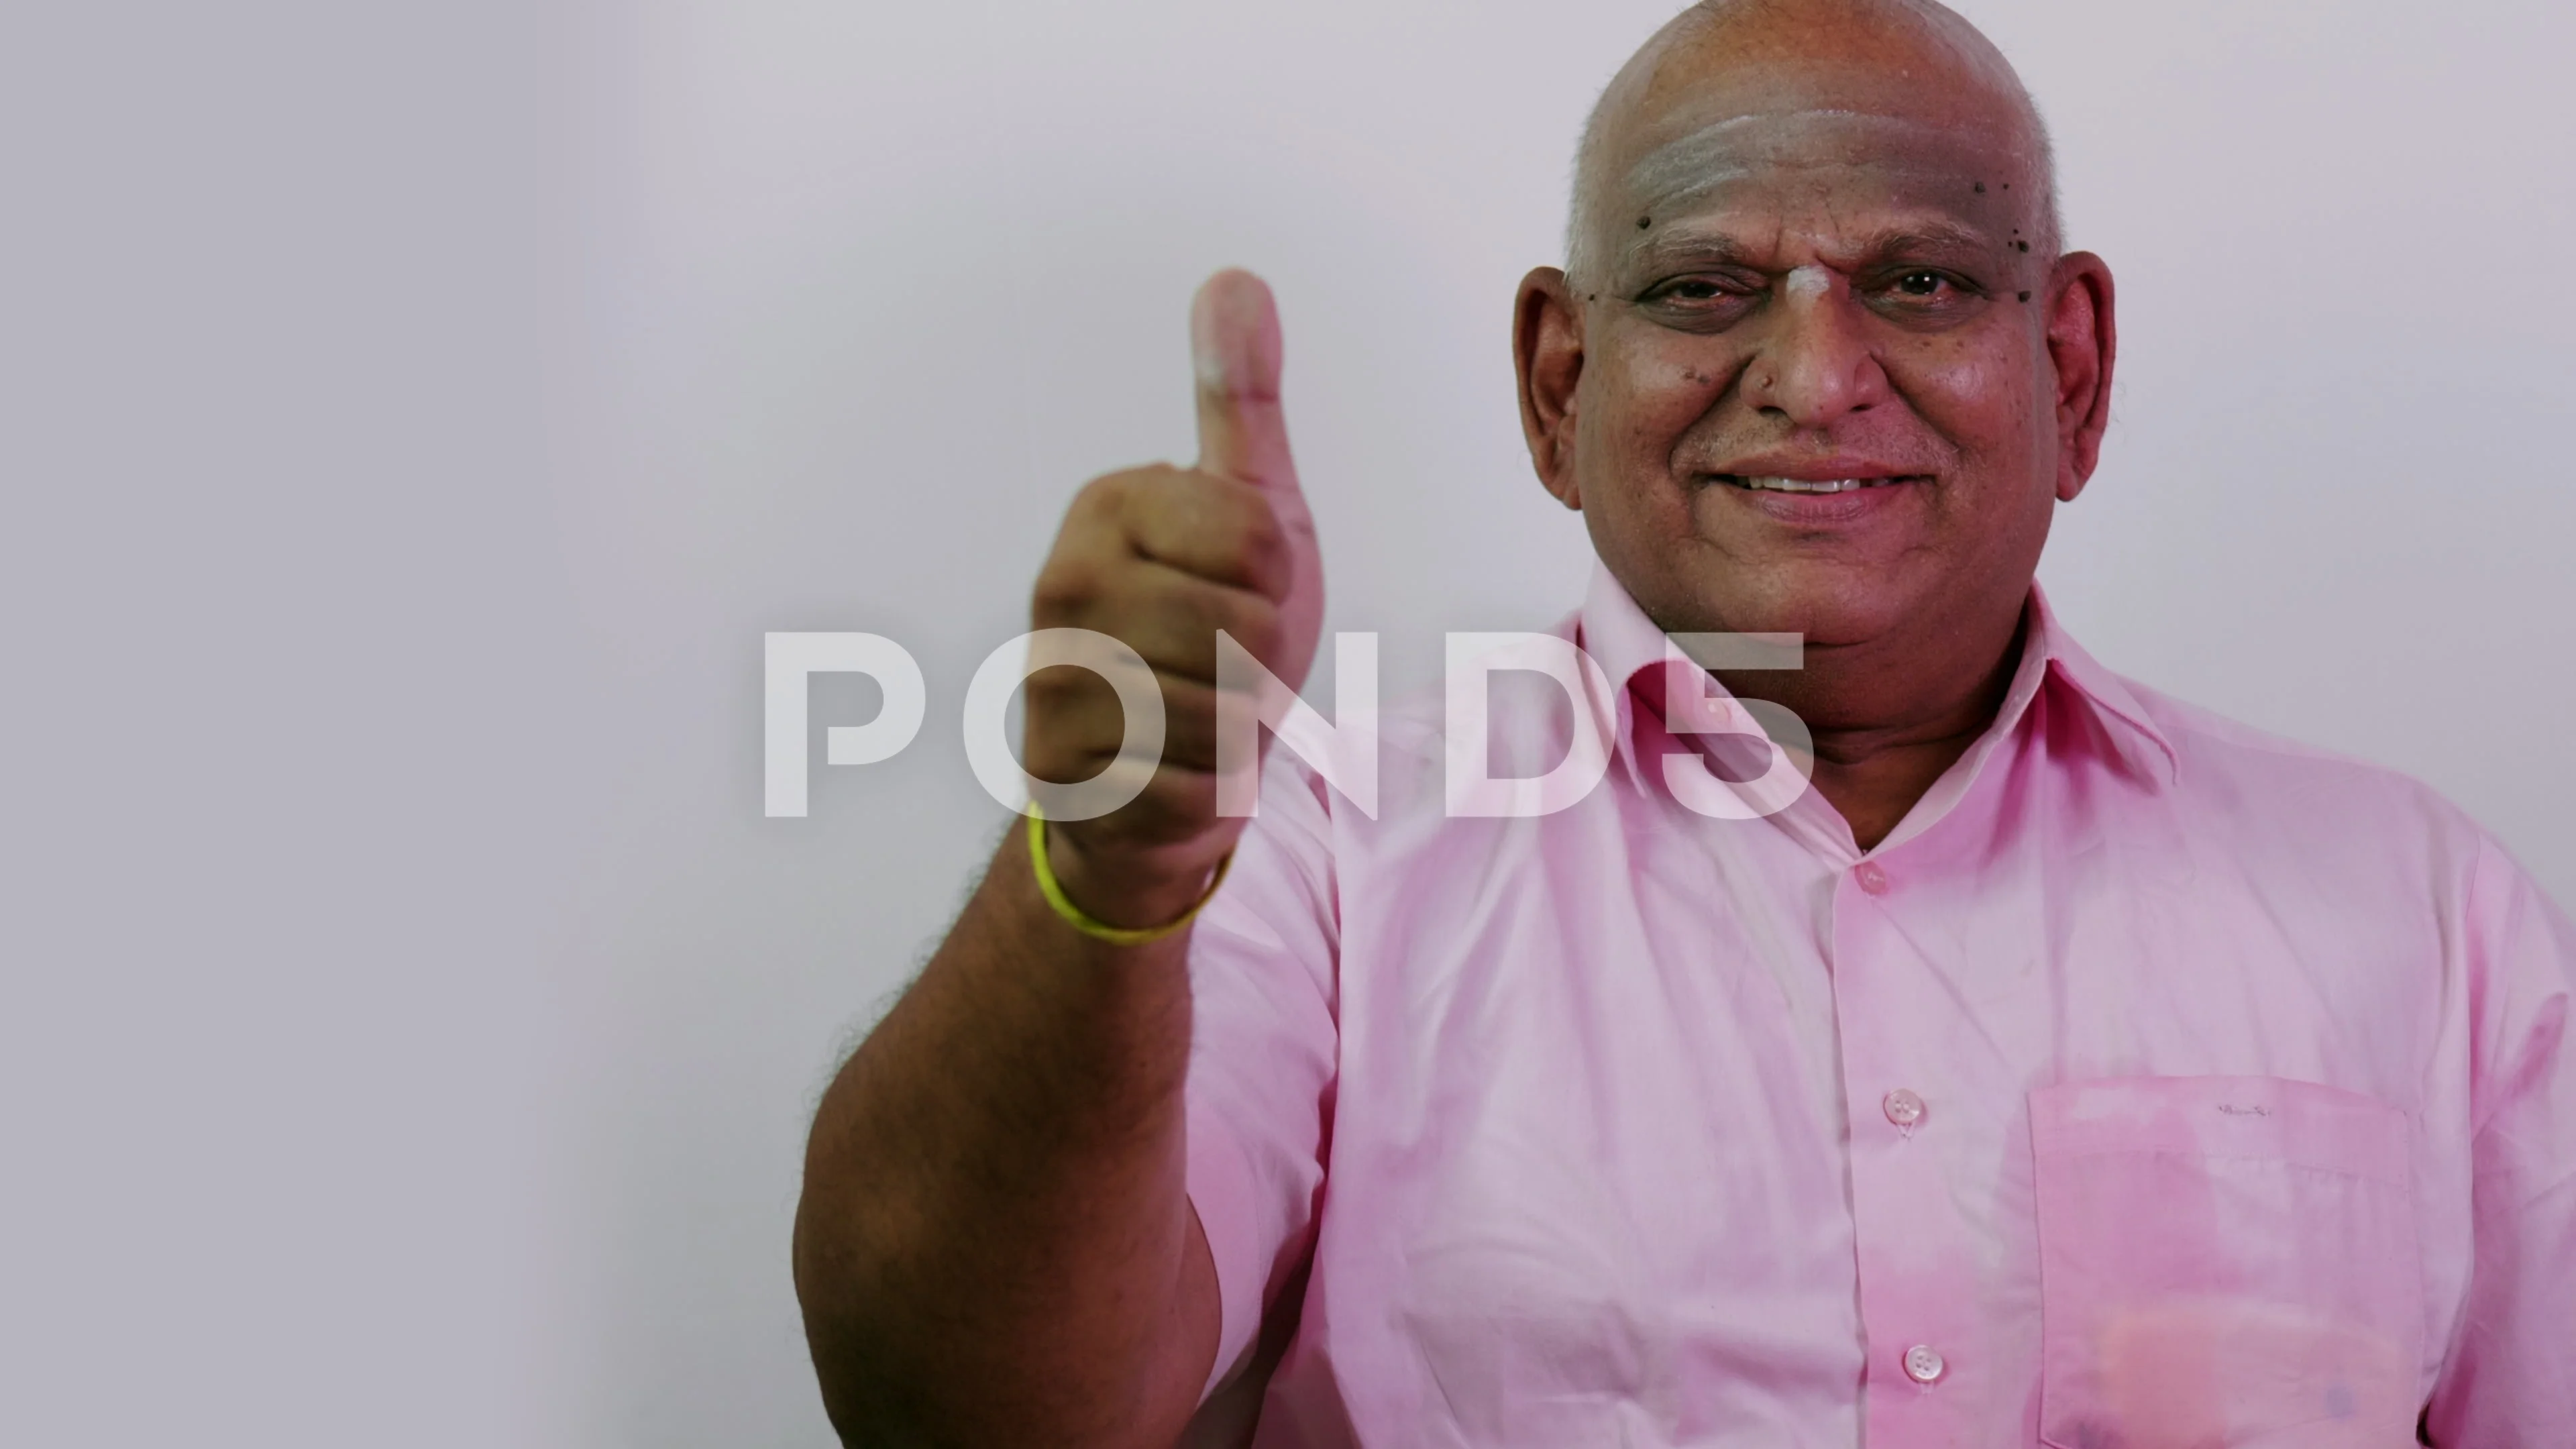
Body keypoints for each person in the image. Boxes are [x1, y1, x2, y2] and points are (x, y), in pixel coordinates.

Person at [790, 1, 2576, 1444]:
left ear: (2075, 369)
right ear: (1561, 387)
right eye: (1706, 289)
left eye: (1925, 281)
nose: (1813, 377)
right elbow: (965, 1415)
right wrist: (1101, 867)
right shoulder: (1318, 853)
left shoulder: (2421, 912)